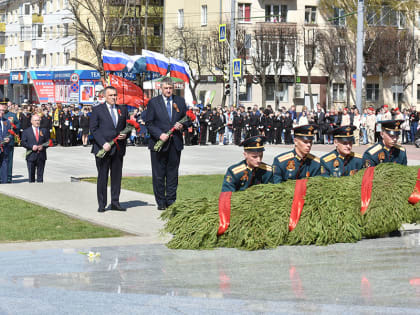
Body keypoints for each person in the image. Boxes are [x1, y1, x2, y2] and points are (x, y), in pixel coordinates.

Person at [145, 77, 188, 210]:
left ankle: (171, 200)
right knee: (158, 175)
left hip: (175, 143)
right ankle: (161, 202)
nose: (168, 90)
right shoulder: (153, 103)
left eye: (170, 88)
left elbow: (187, 120)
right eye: (166, 88)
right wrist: (159, 134)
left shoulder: (180, 101)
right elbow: (149, 123)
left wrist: (182, 125)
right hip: (159, 143)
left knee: (172, 174)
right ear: (161, 88)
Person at [90, 86, 128, 212]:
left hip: (118, 148)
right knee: (102, 176)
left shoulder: (122, 109)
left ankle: (115, 202)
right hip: (103, 149)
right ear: (104, 96)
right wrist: (103, 143)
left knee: (116, 177)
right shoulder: (97, 110)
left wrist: (125, 134)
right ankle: (102, 204)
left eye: (115, 95)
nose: (113, 97)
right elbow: (94, 129)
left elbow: (126, 126)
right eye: (111, 95)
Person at [21, 114, 50, 183]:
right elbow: (23, 143)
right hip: (31, 156)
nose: (37, 122)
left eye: (38, 120)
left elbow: (49, 142)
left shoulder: (44, 130)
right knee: (31, 176)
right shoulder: (26, 131)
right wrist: (31, 146)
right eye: (35, 120)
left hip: (41, 156)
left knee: (40, 177)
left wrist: (43, 146)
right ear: (31, 121)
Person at [3, 101, 20, 183]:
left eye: (5, 105)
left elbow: (18, 126)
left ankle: (8, 177)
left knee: (9, 160)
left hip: (9, 142)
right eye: (2, 105)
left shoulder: (12, 115)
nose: (4, 106)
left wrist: (14, 127)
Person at [0, 103, 13, 184]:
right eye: (0, 110)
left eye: (3, 111)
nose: (2, 112)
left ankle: (4, 183)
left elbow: (10, 133)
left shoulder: (6, 121)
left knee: (4, 164)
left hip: (4, 148)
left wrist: (9, 138)